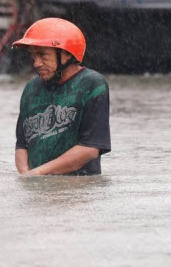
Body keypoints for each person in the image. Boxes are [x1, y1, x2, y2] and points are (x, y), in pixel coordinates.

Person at [12, 17, 111, 175]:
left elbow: (90, 148)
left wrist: (36, 174)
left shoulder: (92, 84)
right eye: (33, 56)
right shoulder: (31, 87)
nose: (36, 63)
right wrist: (26, 174)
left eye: (42, 55)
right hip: (36, 186)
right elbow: (22, 145)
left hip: (78, 187)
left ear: (66, 54)